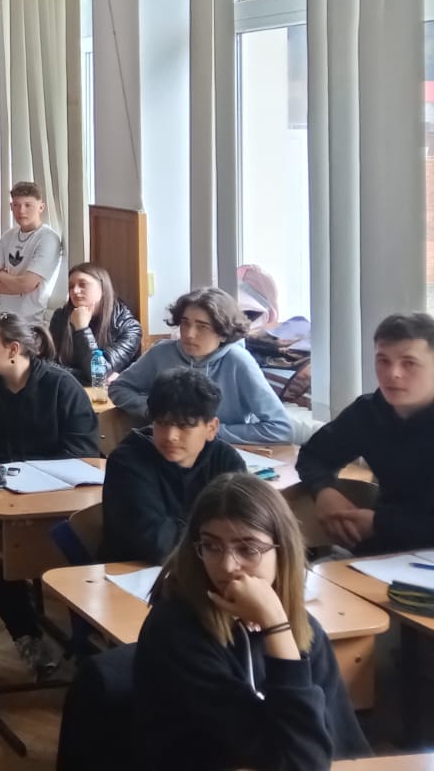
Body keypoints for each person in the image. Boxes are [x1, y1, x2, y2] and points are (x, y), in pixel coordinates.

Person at [134, 473, 370, 770]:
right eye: (211, 546)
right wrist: (276, 627)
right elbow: (300, 763)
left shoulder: (307, 629)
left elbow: (344, 750)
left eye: (248, 549)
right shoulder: (176, 631)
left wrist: (277, 626)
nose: (227, 565)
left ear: (282, 550)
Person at [0, 312, 100, 678]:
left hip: (58, 503)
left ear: (13, 349)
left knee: (92, 541)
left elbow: (83, 452)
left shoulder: (61, 387)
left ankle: (88, 641)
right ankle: (27, 634)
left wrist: (31, 478)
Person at [297, 312, 434, 554]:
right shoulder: (369, 412)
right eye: (383, 361)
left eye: (409, 363)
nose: (393, 373)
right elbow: (313, 456)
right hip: (385, 551)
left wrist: (381, 523)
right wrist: (324, 491)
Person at [109, 287, 290, 445]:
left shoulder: (239, 361)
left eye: (202, 327)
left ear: (223, 333)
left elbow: (280, 428)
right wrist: (154, 410)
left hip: (220, 451)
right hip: (167, 449)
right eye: (185, 323)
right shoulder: (161, 353)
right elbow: (119, 387)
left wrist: (208, 432)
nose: (189, 334)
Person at [100, 369, 245, 564]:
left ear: (211, 428)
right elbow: (158, 545)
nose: (170, 436)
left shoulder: (226, 459)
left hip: (210, 567)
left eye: (184, 425)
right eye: (161, 423)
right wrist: (217, 542)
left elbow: (243, 529)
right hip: (135, 571)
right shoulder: (127, 462)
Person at [48, 262, 143, 386]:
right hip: (66, 389)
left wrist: (82, 329)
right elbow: (48, 364)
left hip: (108, 394)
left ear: (102, 288)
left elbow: (98, 373)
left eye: (83, 284)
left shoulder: (129, 328)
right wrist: (88, 378)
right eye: (71, 286)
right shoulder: (61, 317)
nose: (75, 291)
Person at [0, 181, 63, 319]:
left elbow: (26, 284)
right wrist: (18, 286)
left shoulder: (48, 238)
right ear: (11, 207)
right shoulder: (8, 235)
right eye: (16, 205)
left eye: (28, 205)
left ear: (41, 207)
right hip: (0, 317)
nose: (21, 211)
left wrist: (0, 275)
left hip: (28, 321)